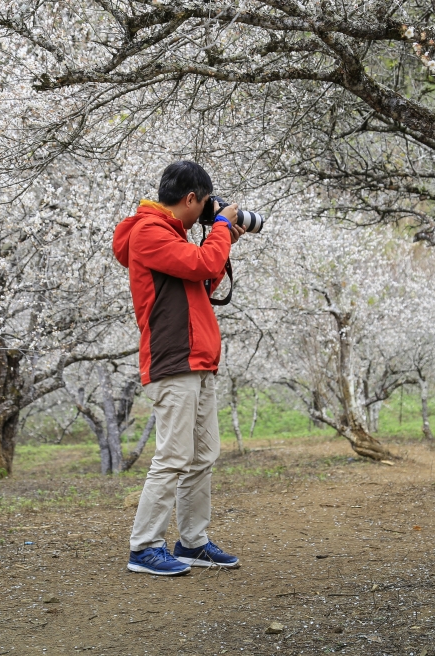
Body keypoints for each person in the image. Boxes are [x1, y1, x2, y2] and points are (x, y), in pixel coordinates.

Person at [112, 161, 246, 576]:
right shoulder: (148, 232)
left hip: (198, 359)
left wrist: (224, 240)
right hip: (174, 358)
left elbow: (203, 282)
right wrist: (222, 225)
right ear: (191, 199)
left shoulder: (174, 238)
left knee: (203, 453)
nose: (207, 211)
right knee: (172, 456)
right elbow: (203, 266)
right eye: (205, 204)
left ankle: (192, 542)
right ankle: (144, 546)